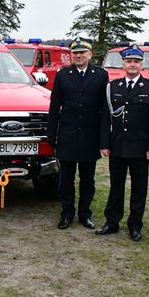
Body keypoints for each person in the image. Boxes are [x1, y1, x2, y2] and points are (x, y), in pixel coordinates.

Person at [97, 44, 149, 241]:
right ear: (123, 64)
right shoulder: (113, 87)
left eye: (136, 61)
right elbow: (105, 119)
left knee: (139, 188)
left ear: (142, 64)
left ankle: (135, 225)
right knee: (116, 186)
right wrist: (104, 144)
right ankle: (112, 222)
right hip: (117, 145)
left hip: (140, 147)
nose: (132, 65)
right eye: (129, 61)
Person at [47, 37, 108, 230]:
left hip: (90, 135)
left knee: (87, 179)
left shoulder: (101, 75)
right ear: (70, 55)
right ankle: (66, 214)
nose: (79, 56)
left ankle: (85, 214)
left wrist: (104, 137)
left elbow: (105, 110)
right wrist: (51, 133)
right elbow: (55, 106)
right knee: (66, 179)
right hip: (67, 134)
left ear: (90, 54)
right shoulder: (63, 75)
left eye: (82, 52)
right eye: (75, 53)